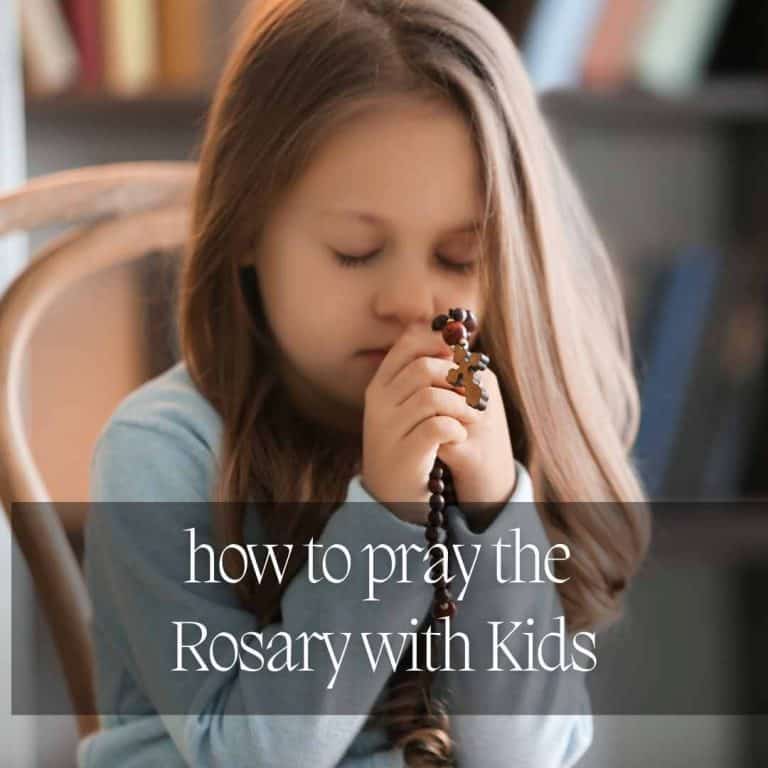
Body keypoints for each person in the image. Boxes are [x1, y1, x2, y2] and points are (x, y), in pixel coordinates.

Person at [77, 1, 651, 766]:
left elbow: (526, 755)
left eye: (457, 257)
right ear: (246, 232)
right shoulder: (158, 455)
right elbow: (251, 753)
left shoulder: (506, 427)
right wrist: (387, 512)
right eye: (355, 251)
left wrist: (490, 508)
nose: (411, 301)